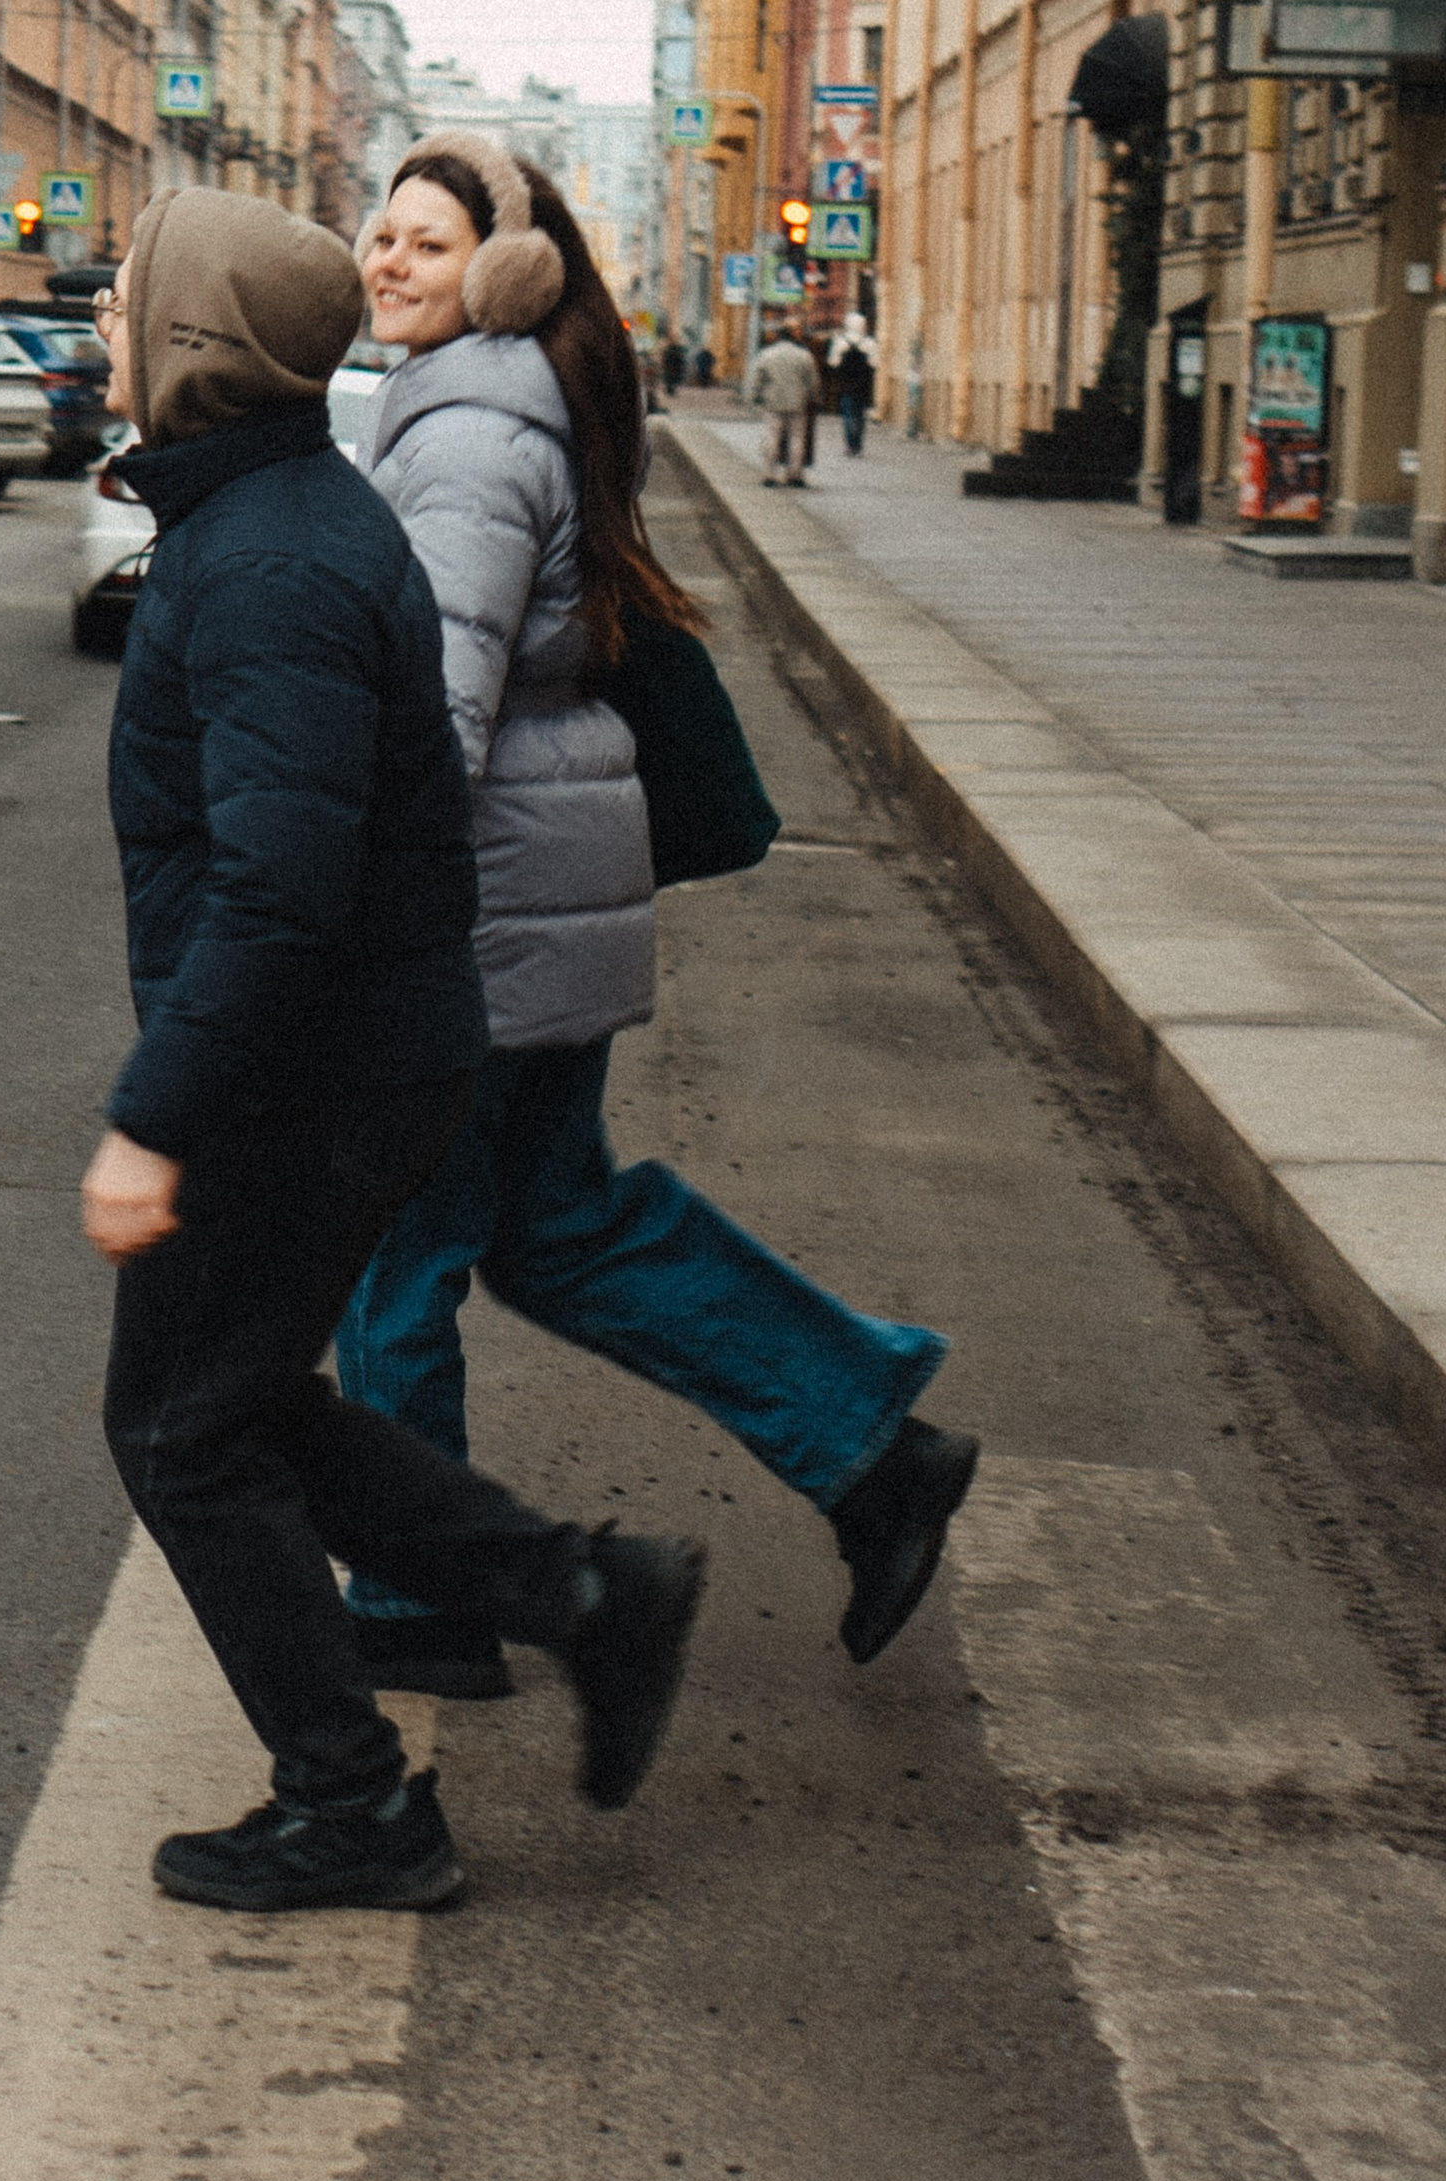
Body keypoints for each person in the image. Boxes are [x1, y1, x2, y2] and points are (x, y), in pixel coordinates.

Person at [80, 186, 707, 1915]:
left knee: (184, 1433)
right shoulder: (267, 517)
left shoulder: (274, 557)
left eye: (124, 299)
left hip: (316, 1069)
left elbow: (281, 893)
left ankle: (358, 1801)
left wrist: (155, 1117)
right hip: (352, 1056)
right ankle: (585, 1594)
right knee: (242, 1405)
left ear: (197, 348)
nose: (99, 326)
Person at [334, 133, 977, 1700]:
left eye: (428, 241)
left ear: (502, 269)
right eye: (382, 232)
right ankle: (869, 1442)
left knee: (392, 1264)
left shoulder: (473, 436)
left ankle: (431, 1599)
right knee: (561, 1231)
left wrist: (345, 908)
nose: (388, 260)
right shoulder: (496, 407)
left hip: (478, 923)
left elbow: (438, 710)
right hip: (540, 905)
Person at [751, 317, 819, 485]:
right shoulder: (804, 356)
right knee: (797, 439)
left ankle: (770, 474)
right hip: (797, 403)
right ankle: (794, 475)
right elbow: (812, 381)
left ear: (778, 337)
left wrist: (756, 396)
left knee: (772, 437)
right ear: (793, 337)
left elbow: (759, 379)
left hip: (773, 402)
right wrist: (815, 398)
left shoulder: (767, 355)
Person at [828, 317, 877, 457]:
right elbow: (874, 364)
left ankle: (850, 446)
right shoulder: (869, 343)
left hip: (846, 384)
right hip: (863, 385)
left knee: (848, 415)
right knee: (860, 416)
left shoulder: (840, 342)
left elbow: (833, 363)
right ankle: (858, 445)